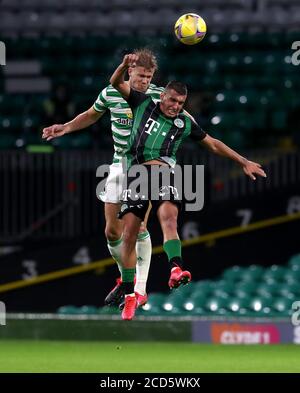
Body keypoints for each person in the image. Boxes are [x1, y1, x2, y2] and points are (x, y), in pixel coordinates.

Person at [110, 53, 267, 320]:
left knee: (169, 219)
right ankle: (130, 293)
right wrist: (124, 67)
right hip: (137, 175)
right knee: (130, 235)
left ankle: (176, 268)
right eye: (172, 100)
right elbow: (116, 84)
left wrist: (243, 161)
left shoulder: (184, 123)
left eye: (181, 103)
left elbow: (213, 143)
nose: (175, 106)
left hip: (164, 174)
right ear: (162, 96)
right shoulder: (142, 102)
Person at [42, 49, 164, 308]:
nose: (145, 80)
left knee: (139, 227)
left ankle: (139, 289)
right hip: (119, 164)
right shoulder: (110, 94)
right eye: (141, 75)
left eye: (149, 76)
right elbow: (91, 114)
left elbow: (181, 120)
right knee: (111, 232)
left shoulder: (158, 97)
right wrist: (65, 127)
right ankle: (125, 278)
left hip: (146, 166)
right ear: (130, 72)